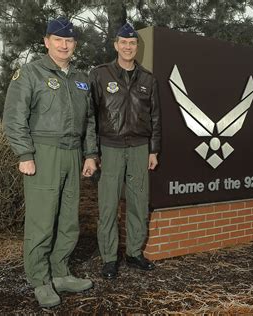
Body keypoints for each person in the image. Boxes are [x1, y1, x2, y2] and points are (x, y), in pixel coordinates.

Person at [3, 17, 98, 308]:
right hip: (43, 154)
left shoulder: (81, 78)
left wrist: (90, 154)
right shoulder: (30, 73)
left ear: (74, 44)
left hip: (72, 154)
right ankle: (39, 280)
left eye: (69, 40)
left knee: (69, 220)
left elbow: (90, 120)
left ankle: (60, 272)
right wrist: (25, 154)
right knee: (41, 222)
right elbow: (14, 117)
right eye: (58, 39)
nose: (64, 44)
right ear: (47, 42)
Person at [89, 22, 161, 278]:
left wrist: (153, 150)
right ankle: (109, 258)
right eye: (124, 42)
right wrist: (91, 152)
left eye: (132, 43)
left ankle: (134, 253)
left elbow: (155, 118)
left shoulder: (148, 79)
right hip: (110, 148)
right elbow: (90, 116)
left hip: (140, 147)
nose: (128, 47)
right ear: (116, 45)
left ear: (136, 47)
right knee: (108, 206)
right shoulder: (100, 75)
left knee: (138, 204)